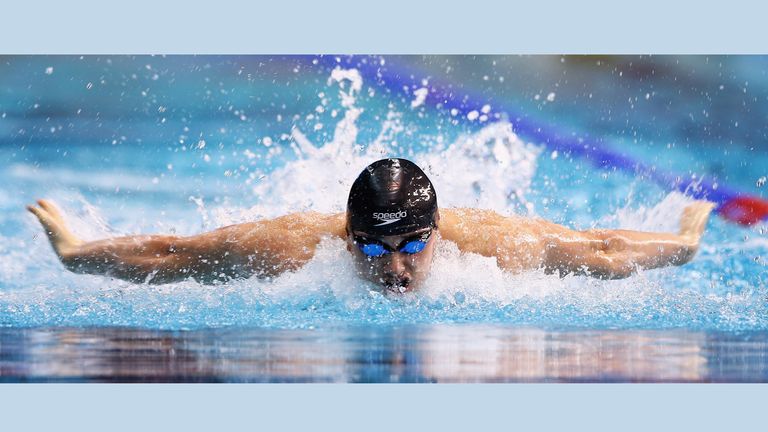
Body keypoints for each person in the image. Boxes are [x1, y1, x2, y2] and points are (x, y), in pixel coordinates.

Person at [27, 158, 715, 293]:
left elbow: (600, 248)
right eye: (376, 249)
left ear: (437, 234)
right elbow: (174, 252)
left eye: (413, 244)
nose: (396, 269)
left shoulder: (497, 247)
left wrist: (682, 243)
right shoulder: (291, 250)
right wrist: (78, 253)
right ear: (348, 236)